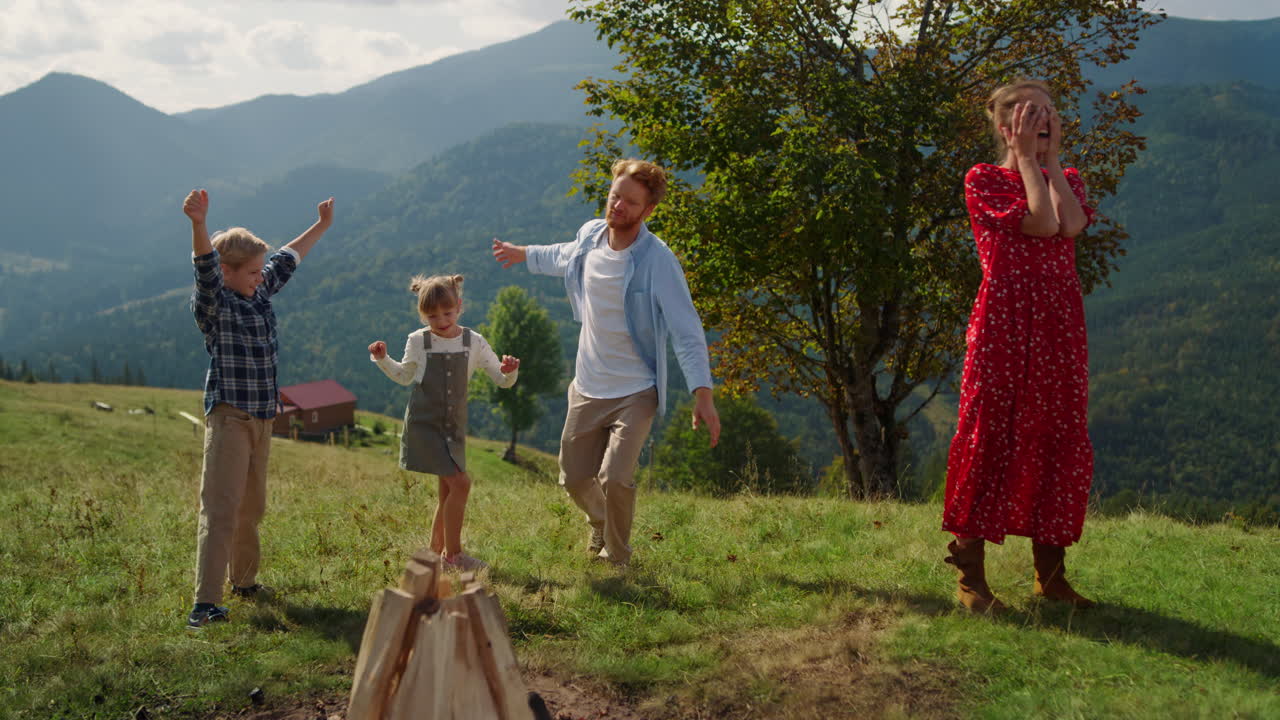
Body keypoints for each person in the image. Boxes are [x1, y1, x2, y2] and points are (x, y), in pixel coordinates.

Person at [492, 158, 721, 567]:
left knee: (614, 478)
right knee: (574, 479)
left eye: (630, 203)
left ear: (648, 211)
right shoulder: (590, 236)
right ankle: (600, 521)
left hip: (635, 390)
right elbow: (563, 255)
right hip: (587, 384)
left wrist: (702, 393)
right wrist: (522, 254)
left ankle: (618, 559)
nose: (617, 207)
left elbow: (686, 329)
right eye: (615, 196)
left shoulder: (658, 261)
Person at [942, 79, 1096, 612]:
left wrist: (1048, 164)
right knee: (991, 433)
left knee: (1057, 431)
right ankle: (970, 580)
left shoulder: (1066, 177)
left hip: (1057, 326)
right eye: (1033, 116)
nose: (1047, 121)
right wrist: (1027, 159)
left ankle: (1050, 576)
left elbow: (1070, 223)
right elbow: (1041, 223)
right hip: (1005, 324)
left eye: (1051, 112)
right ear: (1007, 128)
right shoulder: (984, 179)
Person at [184, 189, 335, 628]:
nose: (259, 276)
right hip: (231, 418)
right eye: (250, 272)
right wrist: (199, 226)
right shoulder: (216, 304)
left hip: (263, 418)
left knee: (252, 506)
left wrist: (321, 226)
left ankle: (245, 582)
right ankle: (204, 604)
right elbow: (204, 271)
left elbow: (288, 258)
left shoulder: (257, 290)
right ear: (227, 272)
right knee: (221, 508)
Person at [368, 274, 520, 571]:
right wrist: (383, 359)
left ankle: (435, 553)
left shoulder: (473, 341)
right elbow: (404, 377)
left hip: (454, 428)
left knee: (448, 490)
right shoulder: (418, 340)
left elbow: (502, 381)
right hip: (425, 426)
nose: (440, 320)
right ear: (422, 315)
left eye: (447, 313)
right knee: (461, 484)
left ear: (459, 306)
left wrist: (510, 371)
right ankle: (454, 556)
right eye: (432, 315)